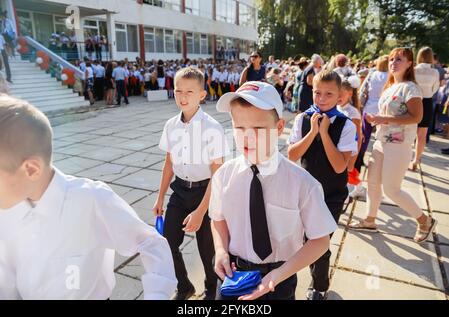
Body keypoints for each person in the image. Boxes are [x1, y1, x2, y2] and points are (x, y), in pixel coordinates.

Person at [0, 95, 177, 299]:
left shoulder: (89, 199)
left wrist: (157, 294)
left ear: (31, 169)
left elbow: (151, 243)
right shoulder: (8, 210)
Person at [211, 81, 337, 300]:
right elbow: (218, 218)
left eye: (258, 129)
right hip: (234, 274)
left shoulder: (302, 183)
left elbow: (320, 240)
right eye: (239, 128)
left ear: (279, 128)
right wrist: (220, 250)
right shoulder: (224, 175)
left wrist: (278, 275)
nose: (247, 137)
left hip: (280, 279)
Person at [153, 67, 229, 300]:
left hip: (205, 192)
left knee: (207, 251)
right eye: (178, 91)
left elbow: (217, 175)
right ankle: (184, 286)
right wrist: (160, 198)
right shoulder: (171, 126)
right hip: (179, 191)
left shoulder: (213, 129)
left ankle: (211, 289)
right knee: (167, 243)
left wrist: (200, 211)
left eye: (189, 91)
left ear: (202, 95)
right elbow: (169, 163)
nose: (183, 97)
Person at [349, 47, 437, 243]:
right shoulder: (390, 86)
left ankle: (425, 221)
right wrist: (376, 120)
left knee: (391, 189)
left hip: (399, 145)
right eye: (391, 59)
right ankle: (370, 220)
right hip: (381, 142)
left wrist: (384, 118)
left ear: (409, 64)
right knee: (372, 182)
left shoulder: (411, 88)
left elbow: (417, 117)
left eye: (399, 59)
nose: (393, 62)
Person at [288, 71, 357, 300]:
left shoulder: (346, 125)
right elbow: (292, 155)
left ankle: (319, 286)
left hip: (332, 195)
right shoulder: (303, 119)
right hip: (305, 192)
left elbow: (340, 167)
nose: (322, 98)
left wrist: (325, 133)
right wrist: (313, 132)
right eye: (318, 93)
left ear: (340, 96)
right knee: (303, 239)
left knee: (320, 242)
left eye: (329, 94)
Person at [351, 55, 389, 198]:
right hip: (383, 111)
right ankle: (381, 163)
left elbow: (363, 91)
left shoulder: (373, 74)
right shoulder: (390, 76)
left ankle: (359, 157)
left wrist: (360, 106)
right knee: (382, 138)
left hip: (369, 109)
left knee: (364, 137)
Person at [411, 47, 440, 171]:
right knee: (422, 135)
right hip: (427, 101)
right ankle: (416, 160)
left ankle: (406, 157)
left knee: (408, 131)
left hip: (413, 100)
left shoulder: (413, 70)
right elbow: (435, 89)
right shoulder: (435, 72)